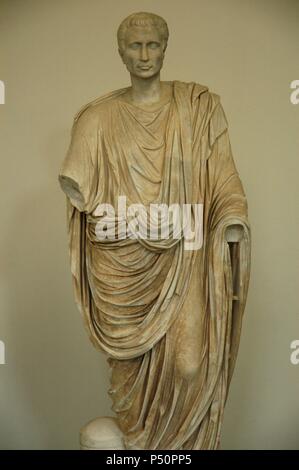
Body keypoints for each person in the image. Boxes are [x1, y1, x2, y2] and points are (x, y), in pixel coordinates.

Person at [59, 11, 251, 450]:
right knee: (127, 385)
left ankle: (181, 448)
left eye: (153, 45)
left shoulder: (198, 108)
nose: (144, 55)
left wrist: (233, 216)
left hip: (187, 256)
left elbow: (224, 178)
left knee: (189, 365)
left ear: (165, 48)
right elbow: (81, 194)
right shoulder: (97, 119)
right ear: (120, 52)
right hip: (123, 269)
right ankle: (142, 446)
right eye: (135, 46)